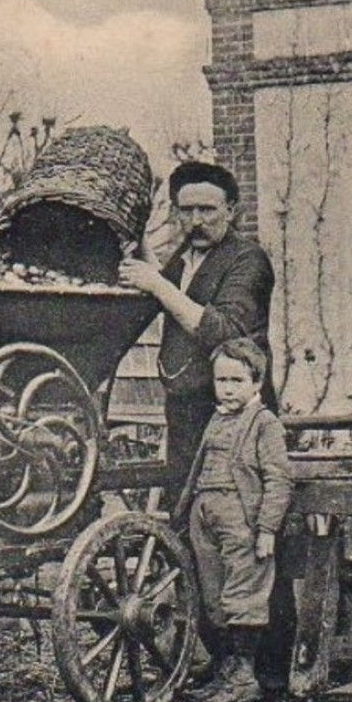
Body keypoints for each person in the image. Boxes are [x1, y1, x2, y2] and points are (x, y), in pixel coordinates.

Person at [118, 160, 276, 491]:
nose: (196, 221)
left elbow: (225, 332)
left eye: (207, 210)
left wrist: (157, 285)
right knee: (182, 506)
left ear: (230, 211)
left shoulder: (248, 259)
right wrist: (141, 240)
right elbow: (170, 292)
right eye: (186, 211)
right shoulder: (186, 257)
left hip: (233, 413)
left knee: (227, 509)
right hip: (186, 409)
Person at [172, 338, 293, 702]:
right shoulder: (217, 417)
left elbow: (279, 479)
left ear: (256, 383)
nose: (226, 388)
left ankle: (244, 679)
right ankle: (225, 674)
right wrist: (184, 511)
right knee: (213, 597)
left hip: (241, 517)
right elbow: (198, 468)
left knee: (243, 595)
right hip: (205, 513)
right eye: (221, 379)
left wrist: (267, 529)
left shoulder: (264, 423)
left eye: (236, 381)